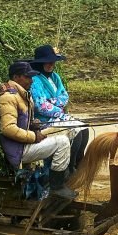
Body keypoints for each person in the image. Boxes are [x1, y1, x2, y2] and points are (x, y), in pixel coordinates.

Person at [0, 60, 76, 200]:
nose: (31, 80)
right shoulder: (9, 97)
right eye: (27, 77)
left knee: (65, 130)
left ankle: (62, 175)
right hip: (19, 150)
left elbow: (20, 121)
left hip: (25, 142)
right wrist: (33, 136)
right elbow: (8, 129)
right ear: (16, 78)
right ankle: (56, 186)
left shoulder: (21, 94)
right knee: (62, 142)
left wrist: (33, 124)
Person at [29, 44, 89, 173]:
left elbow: (64, 96)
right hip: (44, 120)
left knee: (84, 128)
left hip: (57, 115)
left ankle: (78, 163)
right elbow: (40, 106)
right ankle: (68, 168)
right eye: (47, 62)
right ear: (40, 63)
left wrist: (52, 102)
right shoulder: (34, 80)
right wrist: (57, 108)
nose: (50, 65)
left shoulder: (55, 77)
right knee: (75, 131)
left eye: (52, 62)